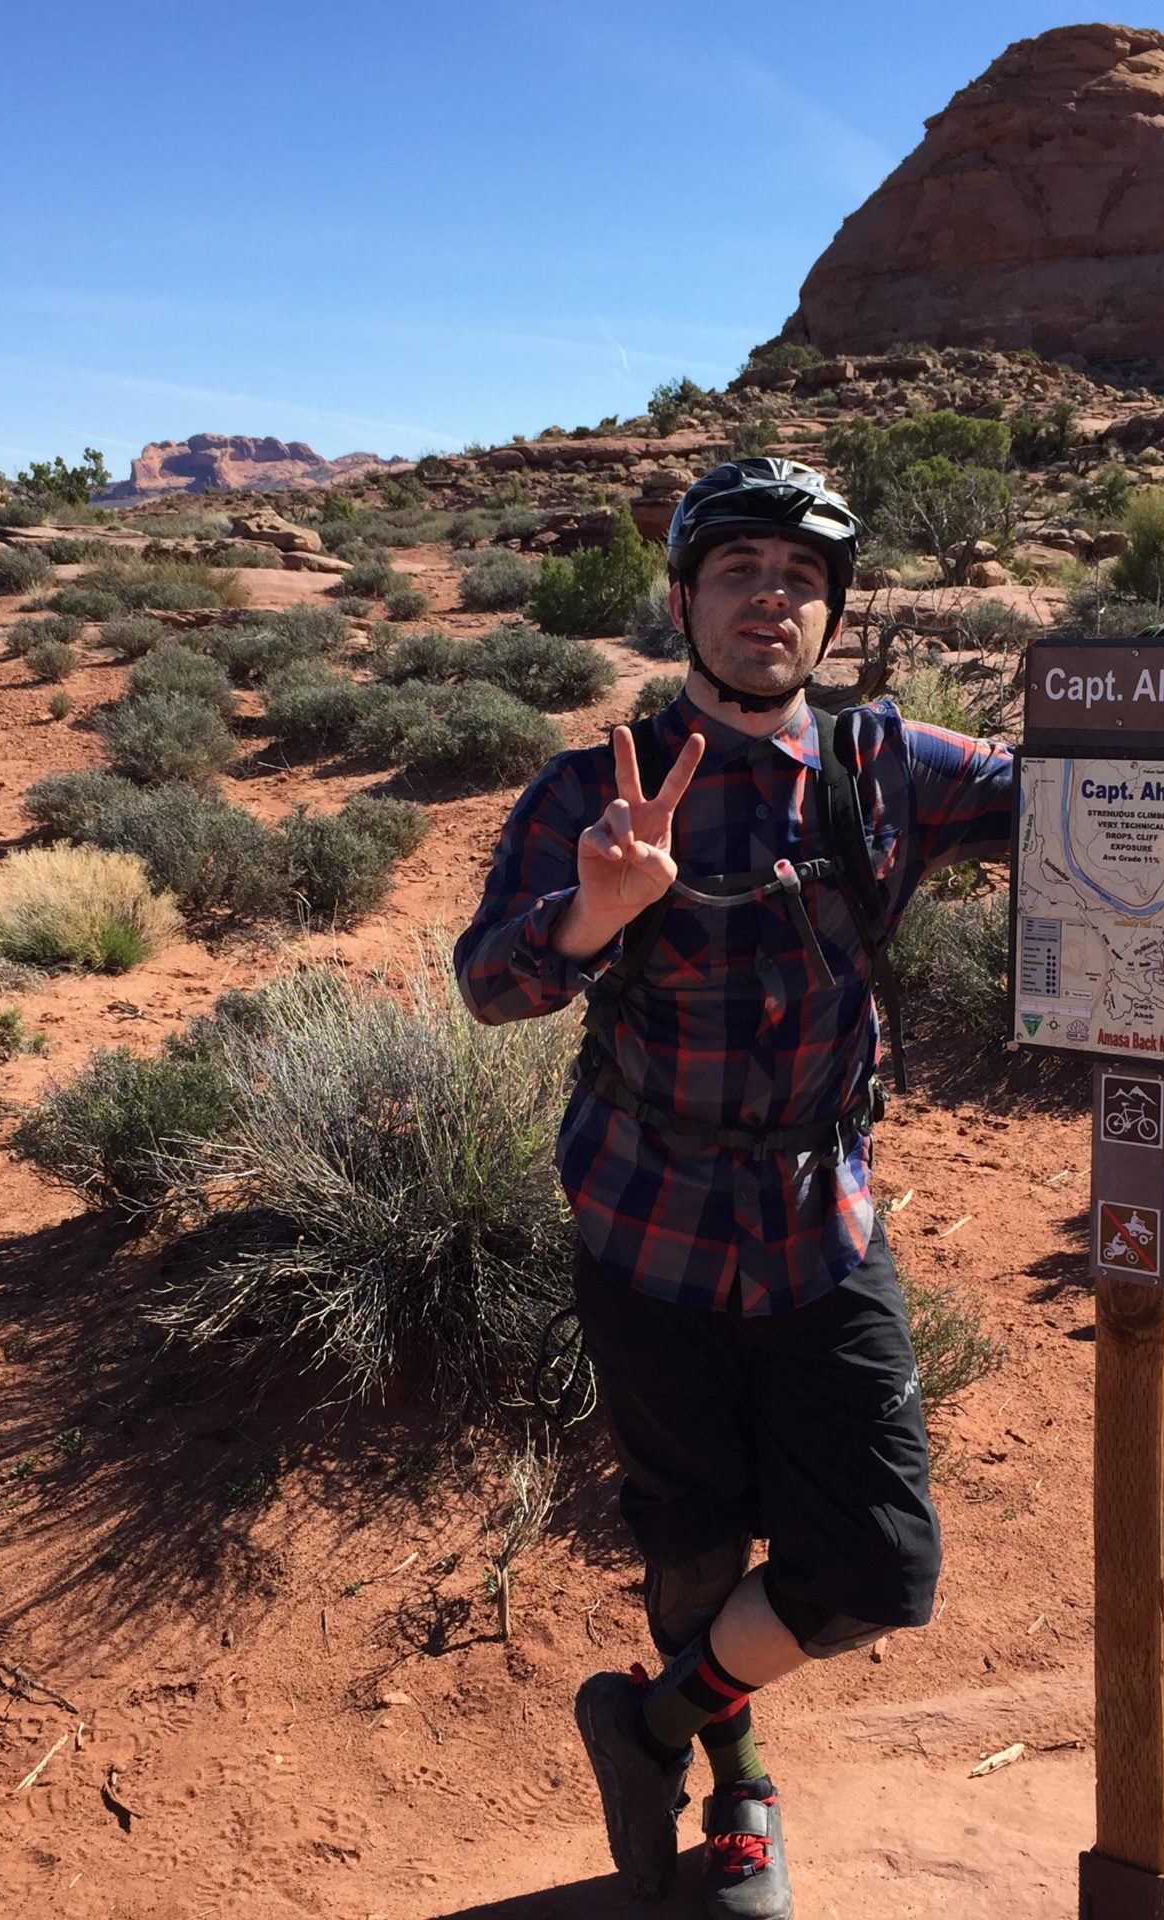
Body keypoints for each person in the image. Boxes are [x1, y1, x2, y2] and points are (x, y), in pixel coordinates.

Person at [453, 458, 1015, 1915]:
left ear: (831, 617)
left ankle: (645, 1725)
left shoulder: (885, 763)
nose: (775, 599)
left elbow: (1065, 791)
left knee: (881, 1568)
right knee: (693, 1541)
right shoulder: (596, 787)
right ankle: (737, 1800)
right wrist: (594, 910)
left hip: (821, 1229)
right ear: (687, 600)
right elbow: (487, 983)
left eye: (803, 580)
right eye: (741, 572)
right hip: (647, 1228)